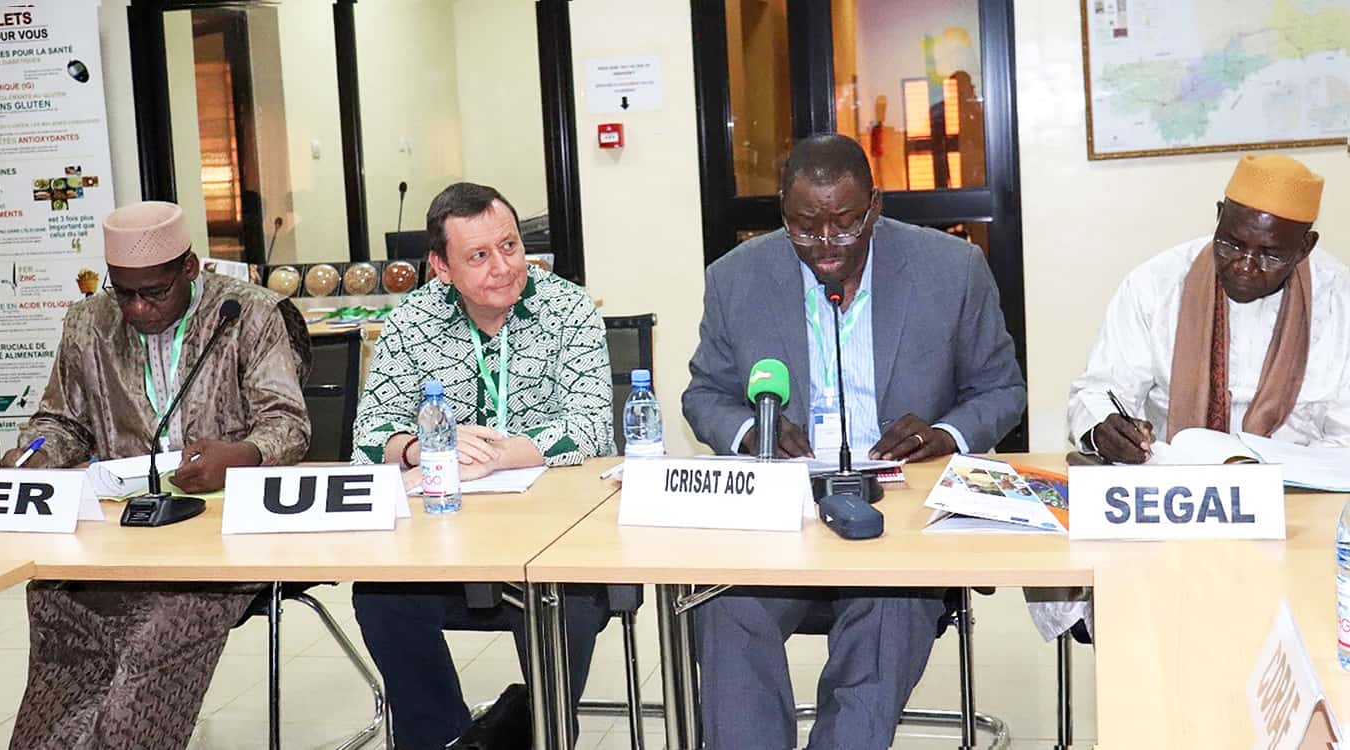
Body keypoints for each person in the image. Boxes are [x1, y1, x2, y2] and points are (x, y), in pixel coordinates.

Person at [682, 133, 1025, 748]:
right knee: (725, 608)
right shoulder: (735, 278)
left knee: (888, 610)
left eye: (844, 224)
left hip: (898, 510)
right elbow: (704, 394)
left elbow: (1001, 390)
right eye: (804, 226)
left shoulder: (951, 270)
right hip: (783, 510)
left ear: (875, 206)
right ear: (783, 211)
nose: (825, 245)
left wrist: (944, 434)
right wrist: (751, 429)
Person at [1, 201, 312, 750]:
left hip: (223, 537)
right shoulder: (88, 322)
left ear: (189, 269)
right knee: (54, 598)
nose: (139, 309)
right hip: (123, 528)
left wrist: (240, 454)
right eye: (124, 293)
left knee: (155, 629)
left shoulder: (247, 313)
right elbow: (60, 421)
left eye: (155, 292)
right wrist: (34, 453)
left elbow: (287, 425)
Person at [349, 182, 614, 749]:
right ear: (441, 267)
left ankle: (538, 729)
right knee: (378, 595)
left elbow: (593, 426)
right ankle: (443, 738)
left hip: (549, 537)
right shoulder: (410, 322)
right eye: (479, 256)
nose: (504, 267)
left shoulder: (568, 307)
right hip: (441, 539)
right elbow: (369, 437)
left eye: (511, 246)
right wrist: (426, 448)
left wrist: (497, 453)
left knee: (566, 600)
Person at [1070, 154, 1349, 463]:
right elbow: (1100, 390)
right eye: (1231, 245)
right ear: (1219, 216)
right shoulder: (1155, 284)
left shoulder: (1340, 298)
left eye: (1270, 256)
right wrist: (1102, 429)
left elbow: (1345, 437)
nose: (1245, 266)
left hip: (1299, 490)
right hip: (1176, 489)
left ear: (1304, 248)